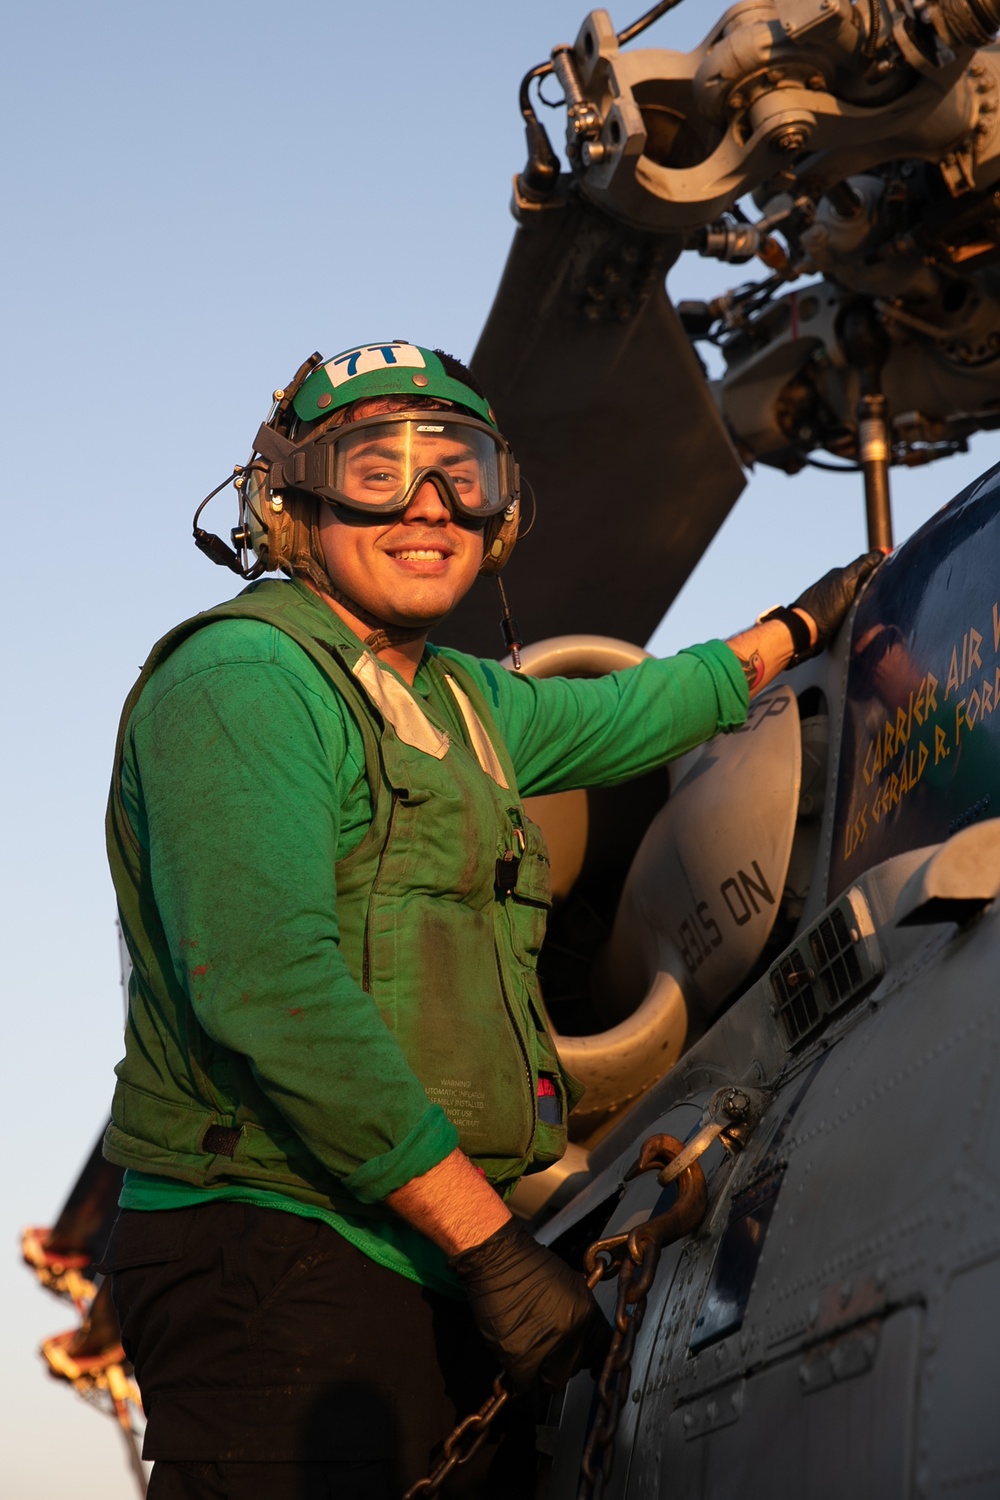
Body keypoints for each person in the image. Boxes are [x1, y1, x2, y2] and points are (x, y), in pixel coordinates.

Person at [100, 340, 880, 1500]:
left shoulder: (458, 700)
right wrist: (493, 1244)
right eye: (377, 469)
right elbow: (267, 989)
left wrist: (792, 633)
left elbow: (631, 711)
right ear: (288, 500)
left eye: (462, 472)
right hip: (268, 1243)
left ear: (502, 512)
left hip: (418, 1243)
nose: (432, 506)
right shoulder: (245, 682)